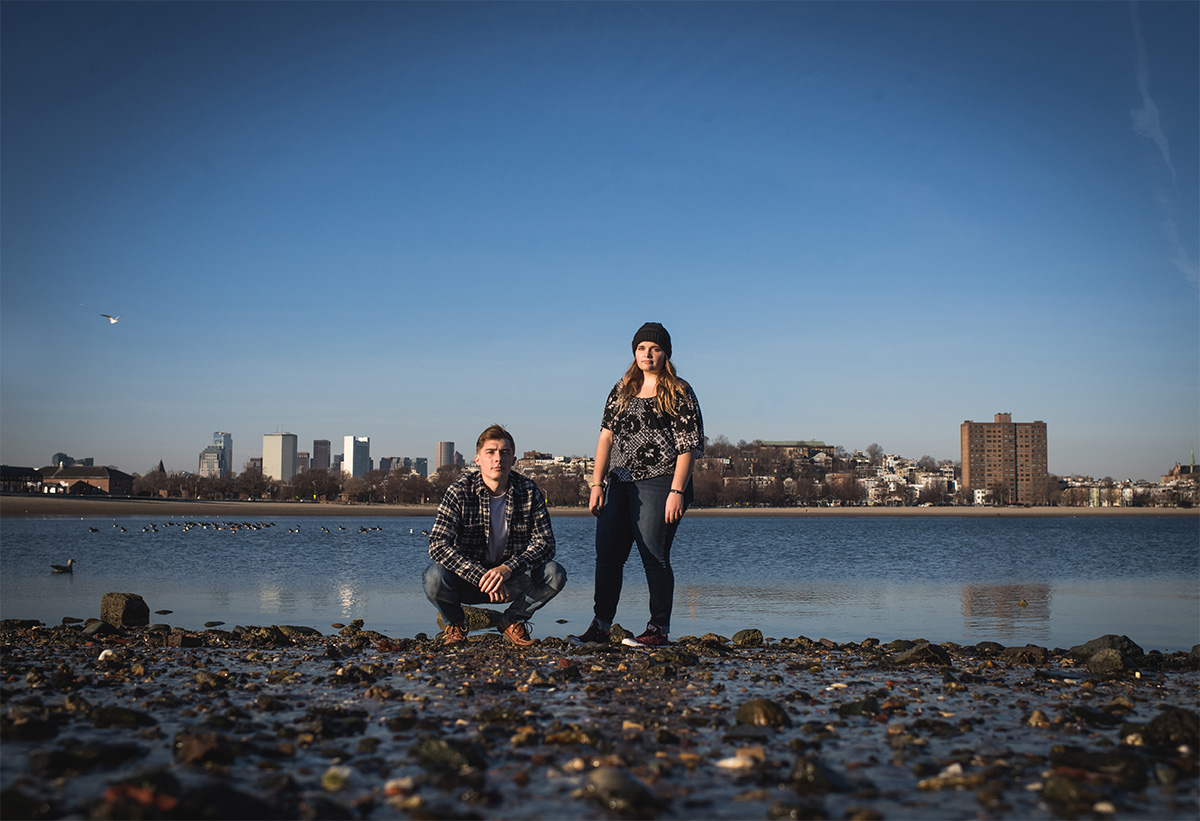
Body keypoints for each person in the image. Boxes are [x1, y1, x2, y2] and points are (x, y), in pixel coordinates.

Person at [570, 322, 703, 648]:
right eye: (642, 348)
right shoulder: (622, 389)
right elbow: (605, 437)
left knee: (654, 556)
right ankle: (600, 626)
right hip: (618, 481)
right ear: (634, 352)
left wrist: (676, 491)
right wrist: (596, 483)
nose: (648, 354)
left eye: (655, 348)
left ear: (665, 354)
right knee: (607, 556)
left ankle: (658, 630)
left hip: (660, 482)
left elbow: (689, 446)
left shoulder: (679, 391)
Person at [425, 424, 566, 647]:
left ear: (514, 460)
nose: (497, 458)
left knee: (554, 573)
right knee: (434, 576)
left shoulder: (528, 491)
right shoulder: (459, 491)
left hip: (512, 580)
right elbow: (438, 545)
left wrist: (507, 570)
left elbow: (546, 545)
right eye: (490, 452)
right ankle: (455, 624)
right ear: (478, 458)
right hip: (468, 581)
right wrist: (481, 575)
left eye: (504, 452)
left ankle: (511, 621)